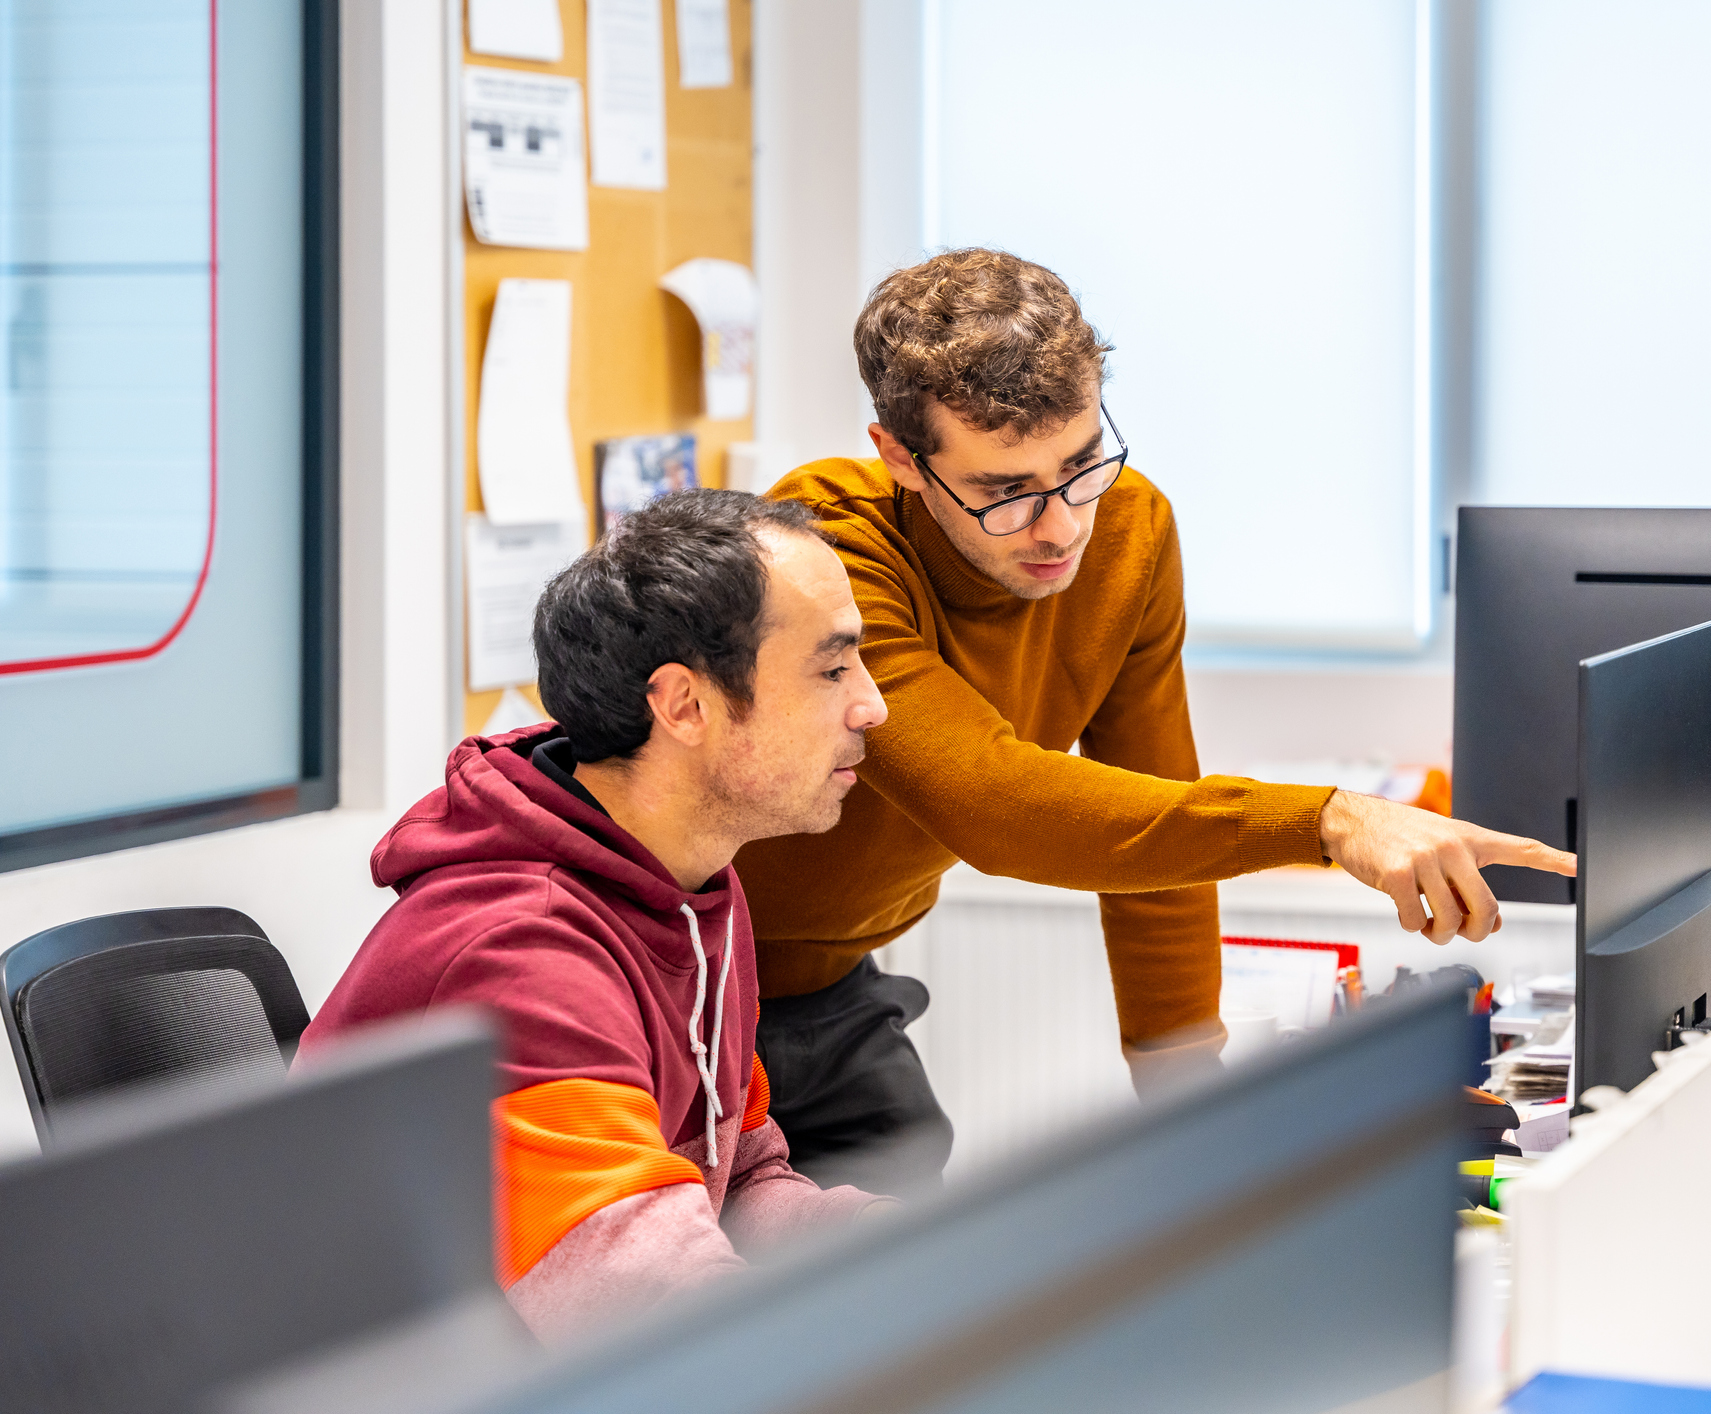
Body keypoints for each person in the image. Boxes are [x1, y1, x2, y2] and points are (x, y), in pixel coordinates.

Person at [736, 248, 1576, 1197]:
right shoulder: (820, 546)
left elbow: (1155, 824)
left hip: (830, 980)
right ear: (900, 457)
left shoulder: (1127, 531)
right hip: (659, 963)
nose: (1058, 527)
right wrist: (1327, 820)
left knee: (895, 1271)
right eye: (1003, 491)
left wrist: (1189, 1108)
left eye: (1081, 463)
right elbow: (990, 801)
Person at [300, 489, 892, 1344]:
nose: (870, 705)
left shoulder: (693, 890)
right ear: (684, 705)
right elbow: (650, 1316)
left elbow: (738, 1176)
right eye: (832, 668)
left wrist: (892, 1242)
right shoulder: (522, 951)